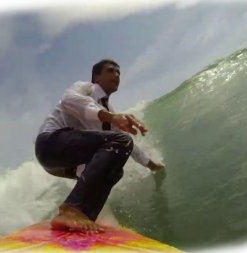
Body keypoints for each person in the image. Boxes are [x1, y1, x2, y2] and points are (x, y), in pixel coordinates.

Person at [35, 59, 165, 233]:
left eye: (118, 72)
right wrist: (110, 117)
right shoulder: (85, 88)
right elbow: (69, 100)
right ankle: (71, 208)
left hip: (69, 163)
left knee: (115, 169)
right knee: (119, 140)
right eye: (111, 71)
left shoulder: (109, 110)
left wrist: (151, 164)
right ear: (96, 76)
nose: (116, 75)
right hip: (50, 144)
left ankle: (83, 215)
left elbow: (126, 144)